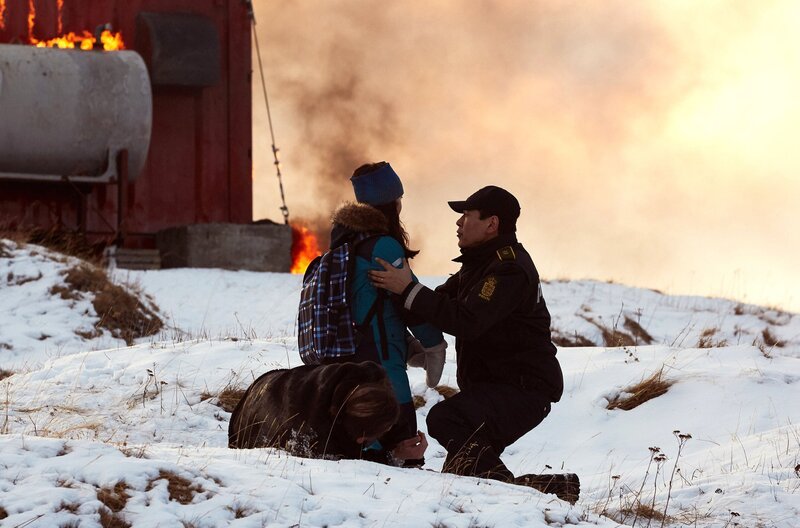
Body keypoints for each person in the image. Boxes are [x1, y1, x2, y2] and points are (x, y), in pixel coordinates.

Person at [369, 185, 579, 503]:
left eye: (466, 216)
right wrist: (402, 310)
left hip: (523, 390)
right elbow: (437, 303)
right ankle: (553, 491)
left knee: (445, 419)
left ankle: (520, 498)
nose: (458, 223)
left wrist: (408, 288)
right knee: (463, 476)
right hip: (495, 389)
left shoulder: (508, 269)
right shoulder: (478, 267)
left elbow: (468, 320)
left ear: (491, 224)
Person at [322, 161, 447, 465]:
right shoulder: (384, 247)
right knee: (403, 454)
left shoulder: (344, 245)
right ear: (393, 202)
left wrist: (406, 345)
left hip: (345, 366)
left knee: (360, 455)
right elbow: (409, 299)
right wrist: (433, 344)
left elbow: (370, 308)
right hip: (382, 370)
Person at [228, 362, 425, 462]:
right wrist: (393, 457)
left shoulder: (362, 378)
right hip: (251, 415)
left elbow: (376, 411)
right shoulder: (311, 438)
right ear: (359, 439)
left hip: (271, 384)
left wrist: (401, 444)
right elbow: (348, 462)